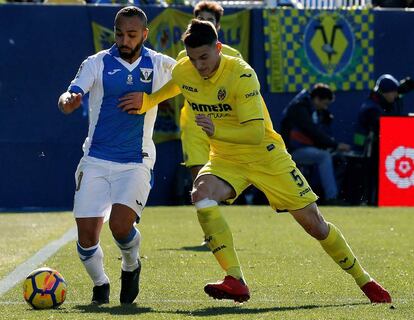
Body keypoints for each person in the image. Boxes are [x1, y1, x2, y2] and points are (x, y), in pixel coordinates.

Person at [122, 19, 392, 304]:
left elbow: (253, 133)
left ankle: (365, 280)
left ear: (218, 47)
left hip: (266, 157)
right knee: (201, 193)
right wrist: (148, 101)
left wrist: (216, 130)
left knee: (315, 225)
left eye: (204, 57)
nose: (199, 65)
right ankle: (235, 280)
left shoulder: (241, 75)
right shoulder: (185, 70)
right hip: (226, 158)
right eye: (193, 58)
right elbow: (177, 83)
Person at [57, 6, 175, 305]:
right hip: (95, 159)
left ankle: (131, 265)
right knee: (86, 237)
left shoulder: (159, 64)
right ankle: (100, 283)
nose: (125, 40)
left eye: (132, 35)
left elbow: (189, 79)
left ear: (145, 35)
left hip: (136, 160)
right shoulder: (97, 62)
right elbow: (70, 93)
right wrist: (68, 101)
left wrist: (150, 99)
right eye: (120, 34)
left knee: (120, 227)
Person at [176, 0, 242, 182]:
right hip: (194, 124)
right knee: (199, 178)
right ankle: (206, 209)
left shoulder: (234, 57)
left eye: (210, 20)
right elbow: (174, 87)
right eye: (200, 18)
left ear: (218, 26)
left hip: (223, 126)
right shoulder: (183, 57)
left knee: (221, 181)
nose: (204, 22)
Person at [280, 84, 350, 204]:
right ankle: (331, 198)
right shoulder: (299, 108)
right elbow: (312, 131)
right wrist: (335, 145)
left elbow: (319, 134)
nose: (325, 107)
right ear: (317, 99)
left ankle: (326, 194)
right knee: (324, 157)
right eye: (325, 104)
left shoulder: (314, 110)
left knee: (338, 157)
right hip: (292, 151)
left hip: (306, 149)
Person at [354, 74, 414, 204]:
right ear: (385, 93)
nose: (396, 95)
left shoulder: (380, 99)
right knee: (373, 179)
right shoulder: (370, 108)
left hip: (380, 149)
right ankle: (370, 203)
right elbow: (385, 124)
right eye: (394, 93)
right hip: (366, 151)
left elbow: (396, 97)